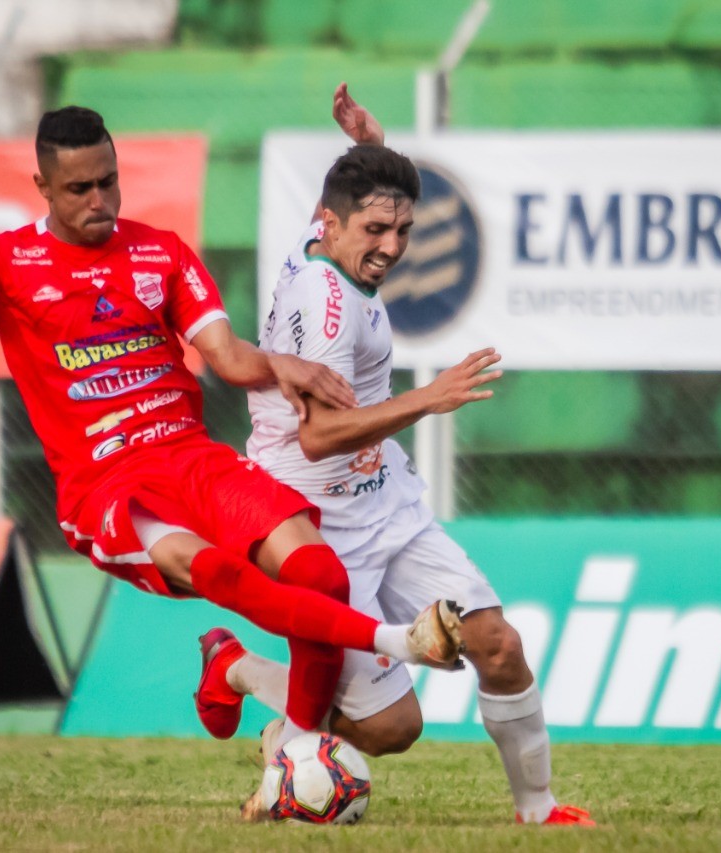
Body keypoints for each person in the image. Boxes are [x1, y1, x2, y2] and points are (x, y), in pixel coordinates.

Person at [0, 105, 466, 775]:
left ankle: (280, 731)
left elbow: (225, 357)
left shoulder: (160, 251)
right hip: (107, 483)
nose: (100, 200)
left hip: (191, 457)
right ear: (43, 186)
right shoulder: (3, 263)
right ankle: (393, 644)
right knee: (214, 570)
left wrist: (281, 364)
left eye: (109, 180)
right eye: (80, 189)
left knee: (320, 573)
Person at [194, 84, 593, 826]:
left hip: (387, 504)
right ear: (333, 222)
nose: (392, 247)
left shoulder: (328, 243)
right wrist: (427, 398)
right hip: (317, 526)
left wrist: (370, 141)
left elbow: (356, 196)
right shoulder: (328, 307)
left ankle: (539, 812)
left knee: (497, 644)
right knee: (391, 729)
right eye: (377, 229)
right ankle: (240, 671)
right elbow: (316, 435)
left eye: (403, 230)